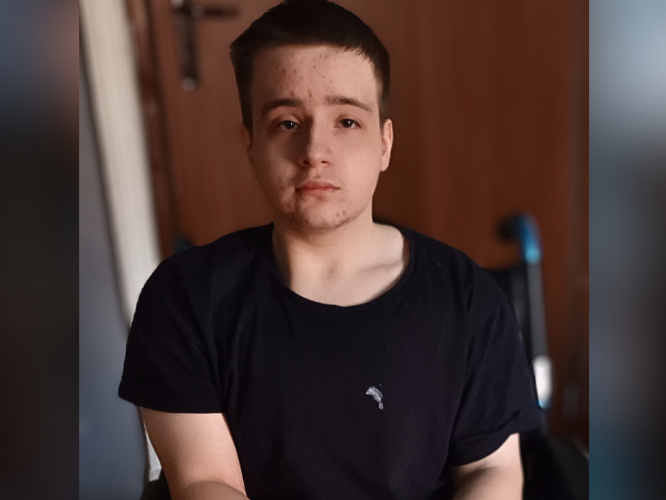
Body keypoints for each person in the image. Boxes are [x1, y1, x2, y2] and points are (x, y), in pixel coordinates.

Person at [119, 1, 544, 499]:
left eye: (346, 121)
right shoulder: (184, 299)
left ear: (384, 143)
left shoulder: (470, 300)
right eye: (286, 123)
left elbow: (491, 471)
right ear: (250, 144)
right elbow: (204, 480)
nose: (315, 152)